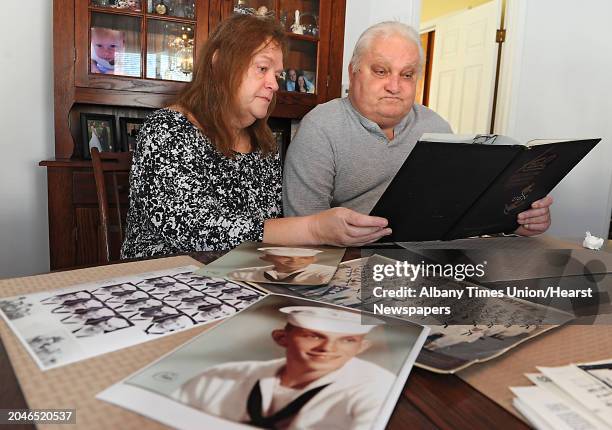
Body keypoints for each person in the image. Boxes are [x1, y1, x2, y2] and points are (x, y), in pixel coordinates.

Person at [121, 14, 390, 259]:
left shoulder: (264, 144)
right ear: (218, 64)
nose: (274, 84)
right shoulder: (167, 129)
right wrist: (314, 228)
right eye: (263, 68)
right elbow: (192, 229)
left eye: (277, 74)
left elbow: (269, 226)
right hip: (163, 279)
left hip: (242, 277)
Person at [283, 21, 553, 237]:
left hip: (430, 258)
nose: (394, 86)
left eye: (407, 74)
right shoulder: (320, 128)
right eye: (381, 71)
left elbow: (460, 209)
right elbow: (303, 229)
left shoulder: (436, 127)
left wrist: (516, 221)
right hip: (351, 261)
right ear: (354, 72)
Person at [171, 305, 395, 429]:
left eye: (348, 340)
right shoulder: (219, 378)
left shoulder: (378, 390)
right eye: (313, 336)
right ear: (281, 338)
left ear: (361, 347)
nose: (328, 348)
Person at [228, 247, 336, 284]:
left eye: (304, 257)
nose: (294, 261)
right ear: (266, 258)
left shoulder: (327, 273)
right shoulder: (244, 274)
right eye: (285, 257)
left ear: (314, 259)